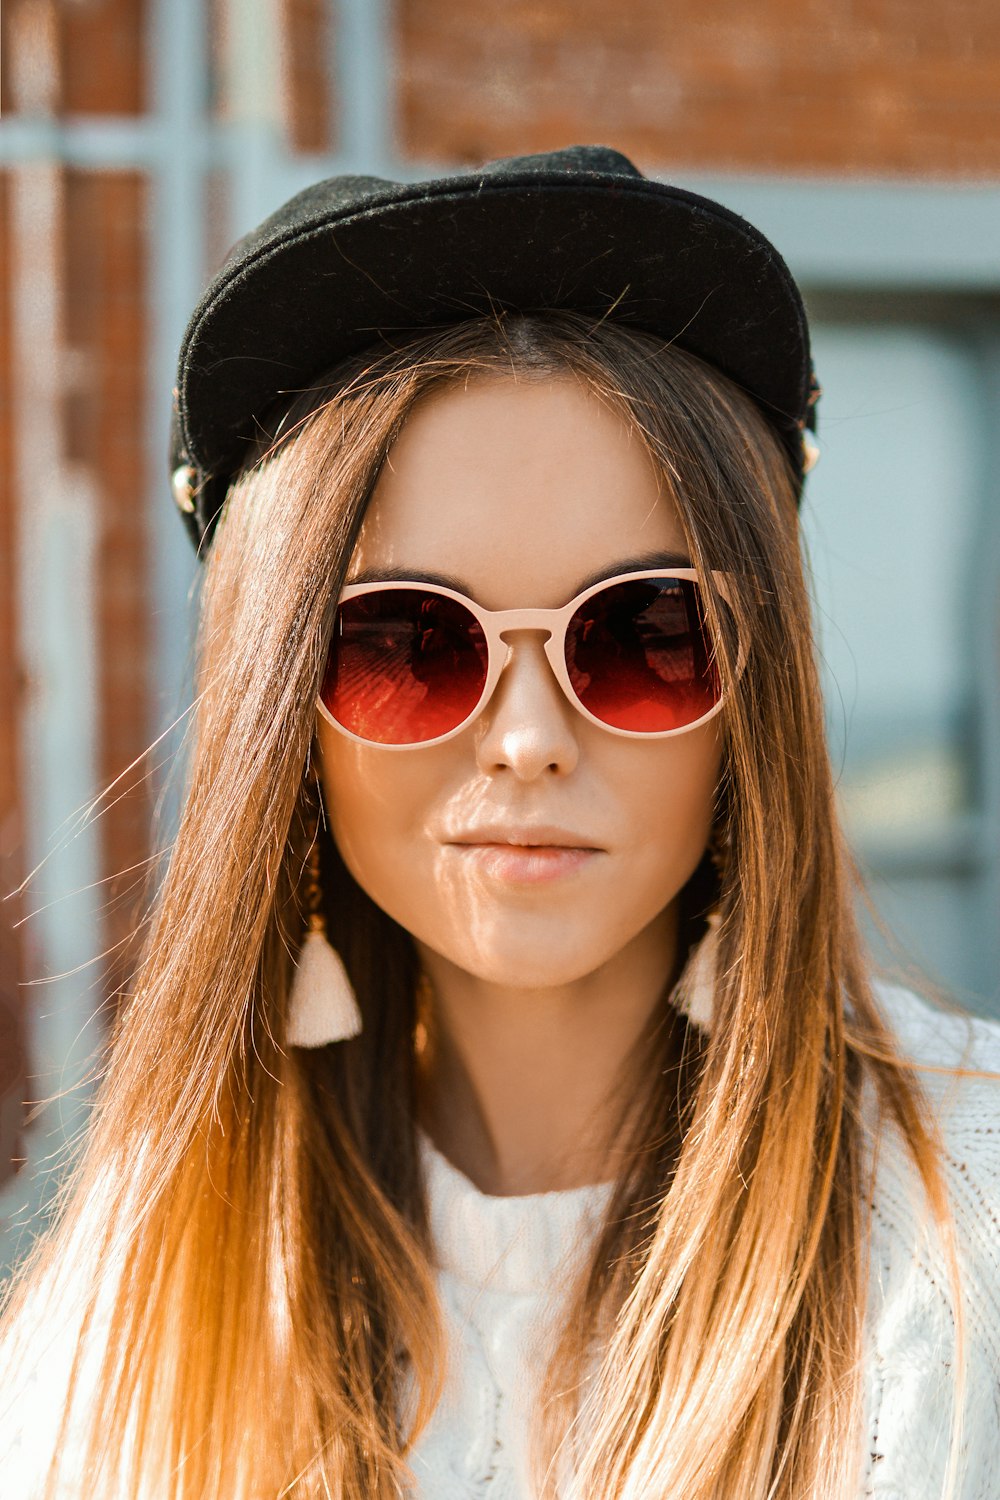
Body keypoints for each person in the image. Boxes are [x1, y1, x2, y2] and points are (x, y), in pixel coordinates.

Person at [2, 145, 999, 1500]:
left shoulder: (972, 1223)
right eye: (405, 641)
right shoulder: (129, 1308)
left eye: (649, 635)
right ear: (277, 703)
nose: (528, 741)